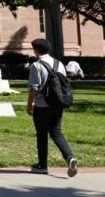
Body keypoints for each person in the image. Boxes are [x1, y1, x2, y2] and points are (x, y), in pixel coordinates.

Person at [27, 38, 77, 177]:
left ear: (37, 49)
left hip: (42, 105)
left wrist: (29, 105)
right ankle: (70, 157)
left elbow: (34, 88)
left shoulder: (36, 65)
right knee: (56, 132)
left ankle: (42, 165)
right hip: (57, 103)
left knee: (42, 135)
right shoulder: (59, 63)